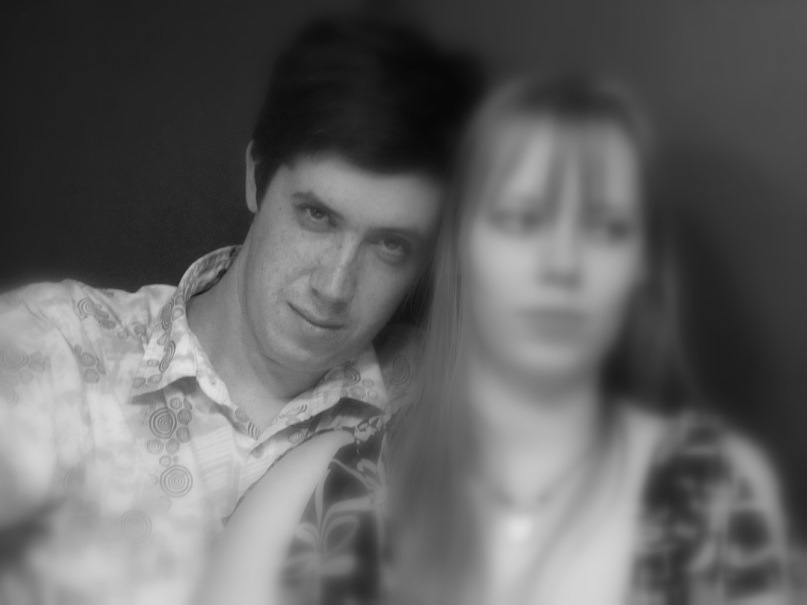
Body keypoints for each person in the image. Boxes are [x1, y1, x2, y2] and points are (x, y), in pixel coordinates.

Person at [206, 74, 800, 605]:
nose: (561, 265)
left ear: (641, 267)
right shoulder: (311, 493)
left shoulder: (715, 493)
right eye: (521, 219)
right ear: (460, 253)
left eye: (604, 227)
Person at [0, 15, 479, 605]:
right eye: (317, 216)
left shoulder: (438, 402)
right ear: (256, 178)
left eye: (389, 246)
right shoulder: (53, 352)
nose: (334, 285)